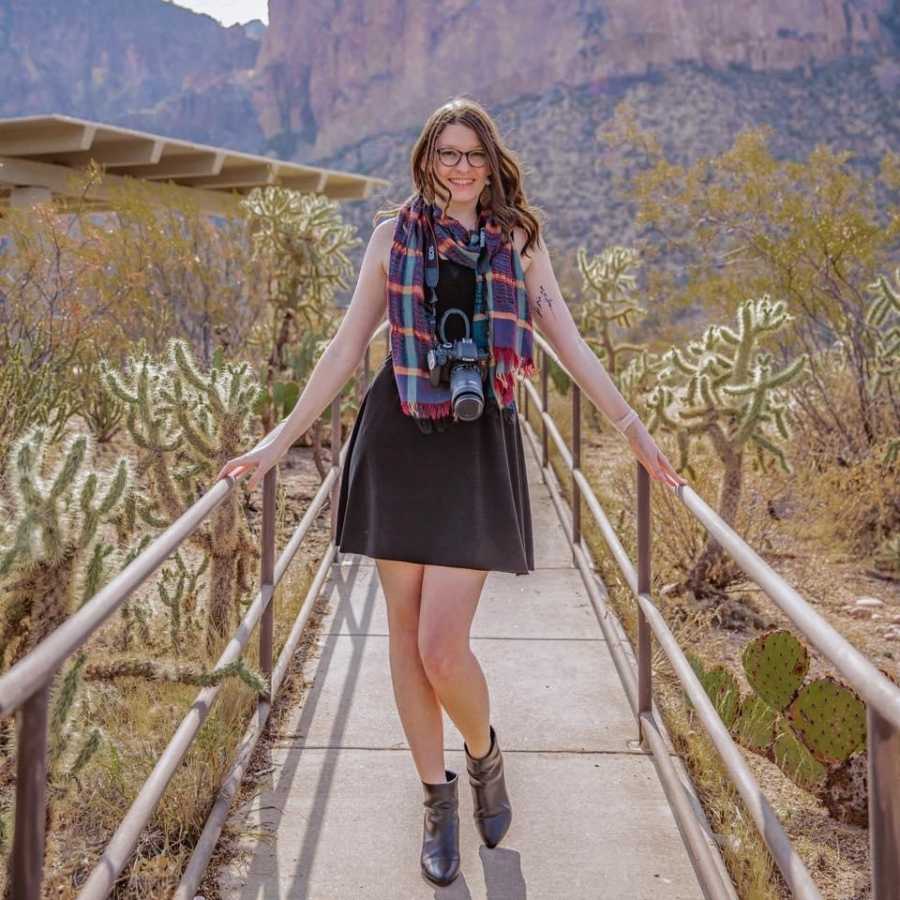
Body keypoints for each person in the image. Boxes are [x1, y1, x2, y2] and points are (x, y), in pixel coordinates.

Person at [216, 97, 685, 889]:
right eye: (448, 154)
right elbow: (343, 350)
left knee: (442, 646)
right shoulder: (389, 238)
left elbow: (565, 341)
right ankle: (435, 803)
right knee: (403, 642)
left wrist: (632, 427)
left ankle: (483, 756)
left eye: (474, 155)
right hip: (399, 438)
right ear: (427, 160)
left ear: (491, 162)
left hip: (475, 447)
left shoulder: (519, 242)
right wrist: (276, 444)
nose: (461, 168)